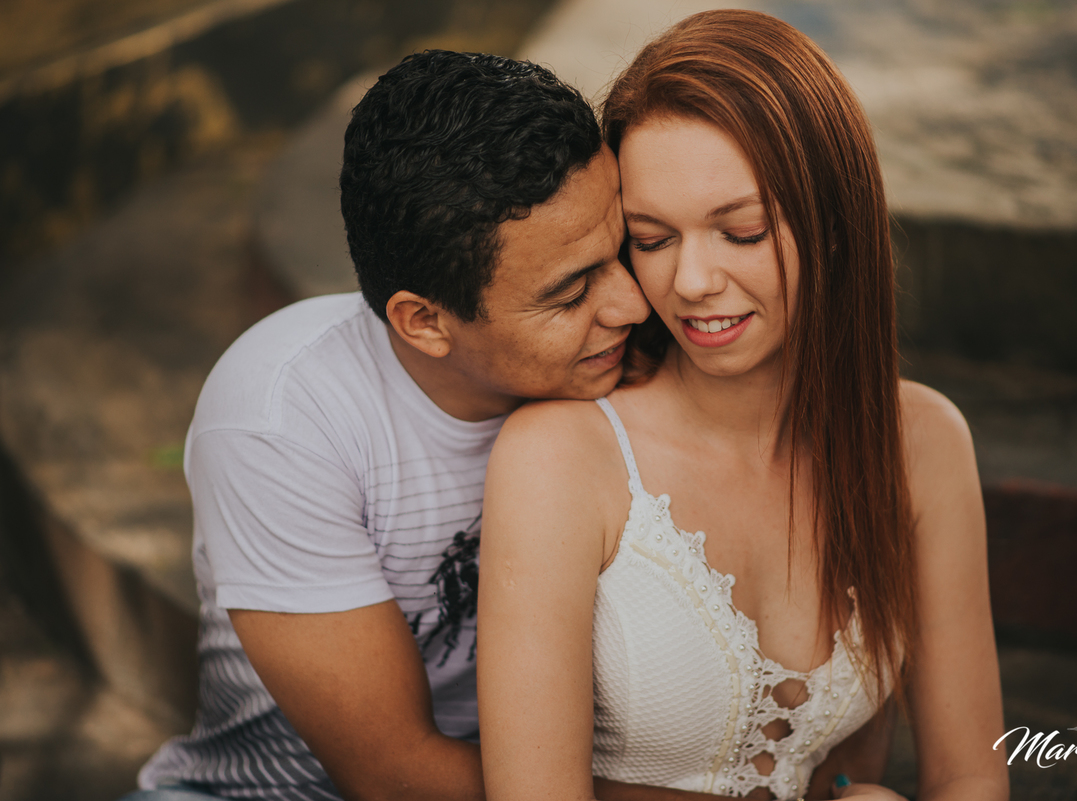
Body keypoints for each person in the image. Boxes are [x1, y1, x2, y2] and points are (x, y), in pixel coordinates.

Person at [477, 10, 1009, 801]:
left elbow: (971, 773)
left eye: (743, 230)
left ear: (835, 225)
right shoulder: (562, 455)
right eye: (653, 239)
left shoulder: (923, 441)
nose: (692, 281)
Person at [129, 50, 657, 801]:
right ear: (425, 322)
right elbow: (393, 776)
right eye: (571, 293)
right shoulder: (284, 419)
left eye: (625, 247)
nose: (634, 304)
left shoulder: (633, 346)